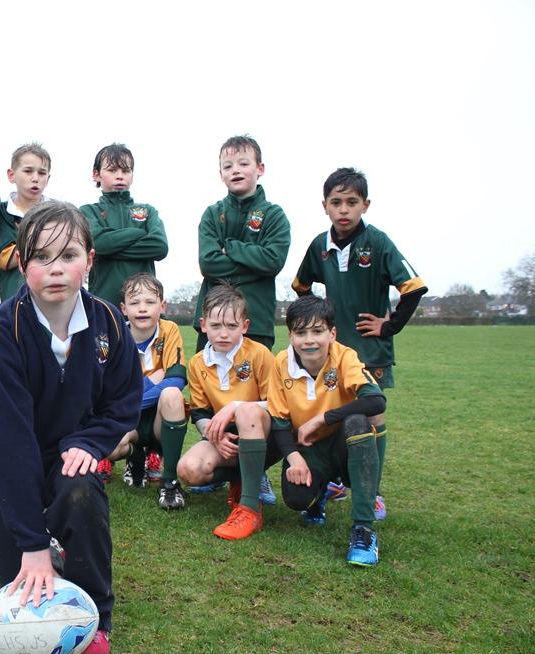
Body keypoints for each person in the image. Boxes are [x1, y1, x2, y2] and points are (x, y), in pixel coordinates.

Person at [0, 201, 141, 654]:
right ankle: (48, 551)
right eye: (41, 258)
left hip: (68, 459)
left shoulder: (109, 322)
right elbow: (8, 445)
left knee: (81, 489)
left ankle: (98, 623)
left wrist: (90, 442)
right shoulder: (2, 334)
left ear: (90, 259)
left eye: (68, 255)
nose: (56, 269)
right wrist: (31, 545)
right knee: (29, 595)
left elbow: (125, 401)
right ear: (22, 266)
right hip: (4, 472)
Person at [292, 167, 427, 520]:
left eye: (352, 202)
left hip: (368, 349)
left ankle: (374, 491)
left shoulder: (378, 242)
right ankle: (334, 479)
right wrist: (320, 319)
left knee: (372, 412)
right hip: (330, 352)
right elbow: (300, 286)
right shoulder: (320, 245)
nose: (344, 210)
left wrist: (390, 325)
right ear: (324, 206)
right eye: (336, 202)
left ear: (365, 205)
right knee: (331, 412)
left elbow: (413, 287)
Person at [268, 296, 386, 567]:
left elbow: (377, 400)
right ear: (291, 336)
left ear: (332, 334)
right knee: (296, 499)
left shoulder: (345, 356)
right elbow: (278, 419)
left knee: (358, 419)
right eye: (301, 332)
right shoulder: (281, 362)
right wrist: (294, 458)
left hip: (345, 444)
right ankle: (319, 495)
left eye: (317, 331)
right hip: (310, 449)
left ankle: (363, 528)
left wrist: (322, 418)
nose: (309, 340)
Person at [178, 284, 281, 540]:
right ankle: (240, 480)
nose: (223, 334)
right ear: (203, 325)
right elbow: (200, 412)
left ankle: (249, 508)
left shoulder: (260, 354)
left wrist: (235, 407)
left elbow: (279, 405)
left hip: (262, 431)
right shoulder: (197, 362)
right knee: (189, 470)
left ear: (244, 326)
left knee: (246, 413)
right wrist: (215, 436)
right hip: (223, 435)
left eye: (232, 326)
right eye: (216, 326)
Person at [98, 273, 188, 511]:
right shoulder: (114, 335)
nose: (142, 308)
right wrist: (154, 381)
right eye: (135, 302)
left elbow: (177, 379)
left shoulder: (169, 330)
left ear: (162, 305)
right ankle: (136, 458)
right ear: (123, 309)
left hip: (156, 417)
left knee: (172, 395)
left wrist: (136, 393)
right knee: (110, 446)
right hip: (129, 419)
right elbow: (106, 390)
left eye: (150, 302)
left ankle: (170, 483)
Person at [194, 135, 290, 352]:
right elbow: (208, 264)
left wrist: (230, 247)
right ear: (221, 174)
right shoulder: (212, 214)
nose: (235, 170)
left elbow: (272, 261)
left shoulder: (274, 215)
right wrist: (256, 267)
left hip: (256, 322)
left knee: (254, 385)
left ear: (260, 168)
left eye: (244, 163)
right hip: (213, 322)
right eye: (228, 166)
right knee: (209, 384)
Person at [79, 143, 168, 308]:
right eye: (112, 170)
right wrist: (138, 233)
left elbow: (160, 247)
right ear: (96, 174)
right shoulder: (87, 211)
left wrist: (111, 249)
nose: (120, 176)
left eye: (126, 171)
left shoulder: (148, 211)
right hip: (102, 304)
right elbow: (98, 244)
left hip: (142, 307)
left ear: (132, 175)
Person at [0, 143, 52, 302]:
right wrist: (48, 240)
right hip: (14, 299)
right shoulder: (2, 211)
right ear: (11, 175)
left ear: (48, 178)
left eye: (42, 173)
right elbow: (7, 259)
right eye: (28, 171)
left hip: (51, 297)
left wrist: (24, 241)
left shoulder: (58, 212)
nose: (35, 178)